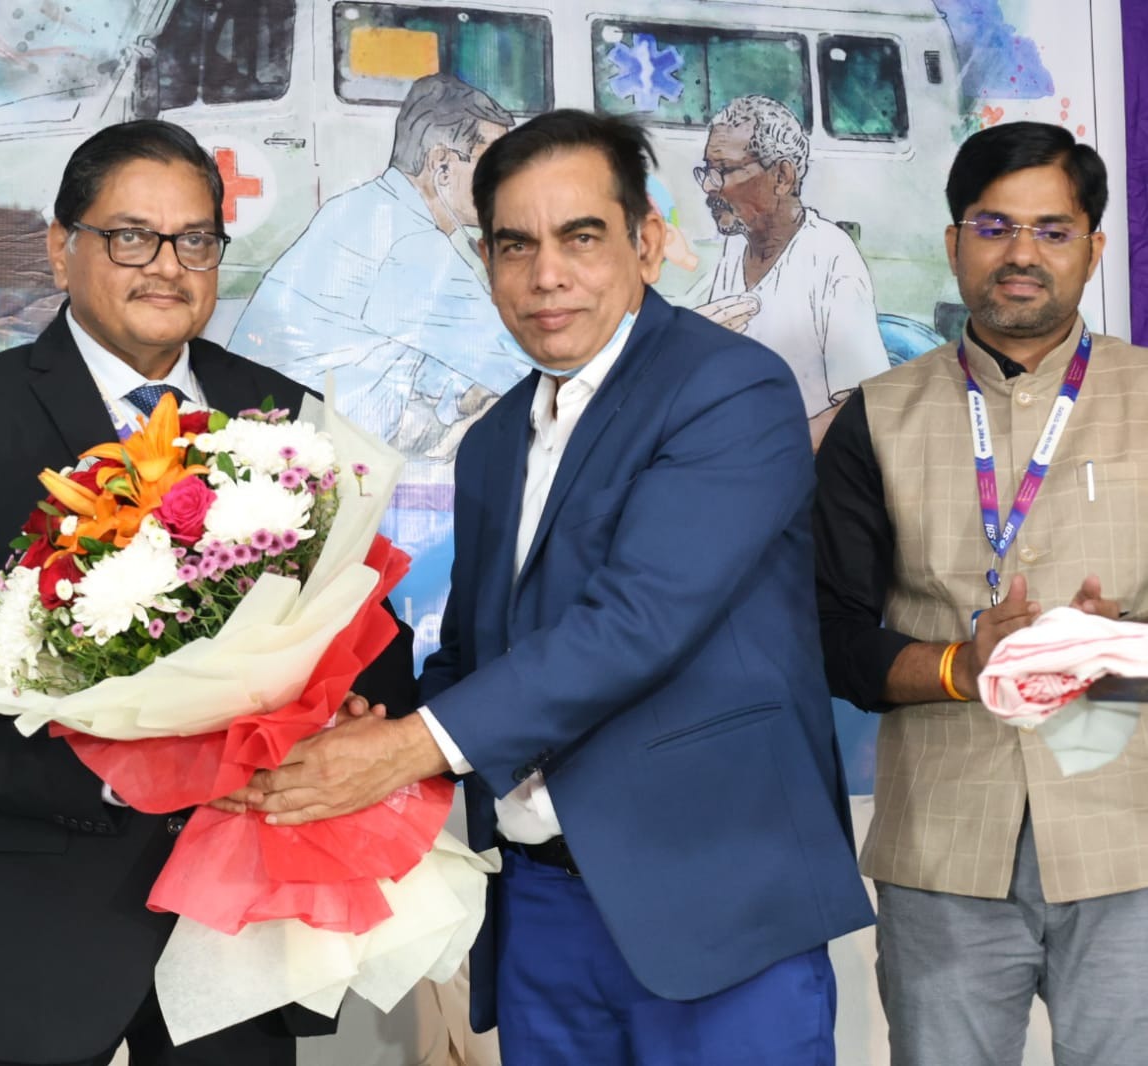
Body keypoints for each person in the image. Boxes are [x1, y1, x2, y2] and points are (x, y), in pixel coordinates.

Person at [243, 109, 874, 1064]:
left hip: (714, 897)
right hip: (540, 903)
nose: (547, 275)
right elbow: (477, 650)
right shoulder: (496, 437)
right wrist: (371, 722)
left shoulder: (729, 388)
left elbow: (639, 621)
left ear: (646, 243)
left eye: (581, 237)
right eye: (515, 245)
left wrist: (408, 748)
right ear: (486, 261)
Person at [0, 119, 415, 1066]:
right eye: (130, 237)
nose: (166, 266)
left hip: (236, 921)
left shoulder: (286, 415)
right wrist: (116, 781)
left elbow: (366, 636)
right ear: (60, 247)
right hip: (35, 924)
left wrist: (354, 714)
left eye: (194, 240)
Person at [815, 121, 1148, 1066]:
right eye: (993, 227)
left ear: (1092, 247)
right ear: (954, 240)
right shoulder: (876, 416)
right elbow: (831, 636)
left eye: (1051, 230)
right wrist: (964, 666)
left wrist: (1119, 649)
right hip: (944, 850)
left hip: (1130, 837)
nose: (1020, 254)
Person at [228, 73, 519, 464]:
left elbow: (429, 361)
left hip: (270, 438)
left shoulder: (364, 208)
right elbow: (522, 361)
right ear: (442, 165)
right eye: (493, 167)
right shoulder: (411, 243)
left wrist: (467, 394)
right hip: (297, 461)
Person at [693, 95, 889, 447]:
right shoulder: (735, 248)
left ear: (782, 176)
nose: (709, 186)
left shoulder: (829, 257)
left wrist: (773, 451)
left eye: (724, 171)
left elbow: (864, 404)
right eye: (707, 171)